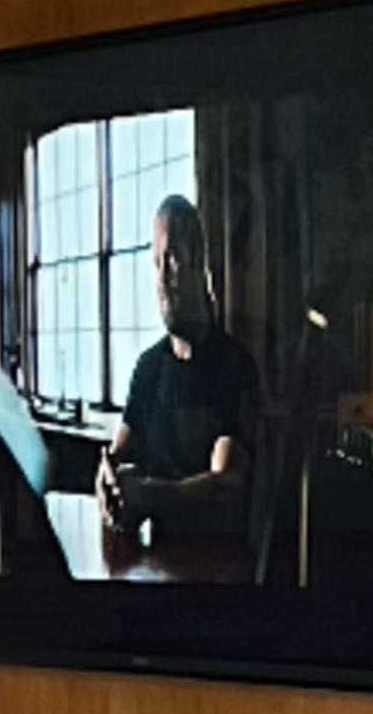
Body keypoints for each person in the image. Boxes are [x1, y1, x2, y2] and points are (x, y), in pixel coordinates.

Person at [97, 197, 263, 554]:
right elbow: (116, 457)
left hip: (218, 566)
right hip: (153, 563)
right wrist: (107, 483)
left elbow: (227, 483)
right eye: (155, 263)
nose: (161, 278)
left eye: (171, 259)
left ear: (198, 261)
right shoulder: (148, 369)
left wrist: (149, 496)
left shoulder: (232, 366)